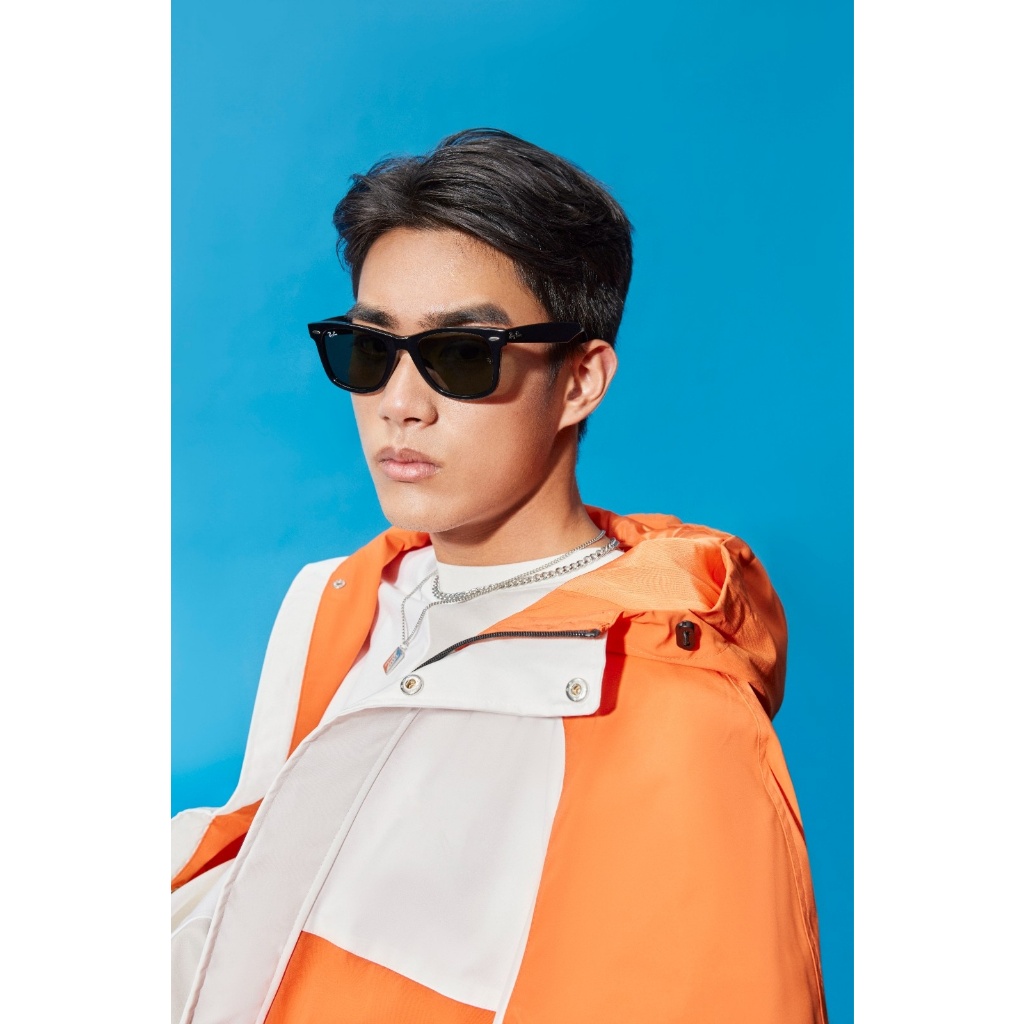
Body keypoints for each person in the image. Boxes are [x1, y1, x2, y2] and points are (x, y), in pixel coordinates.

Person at [171, 128, 827, 1024]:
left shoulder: (680, 712)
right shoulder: (335, 604)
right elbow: (253, 908)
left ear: (580, 381)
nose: (400, 403)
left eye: (462, 355)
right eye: (369, 350)